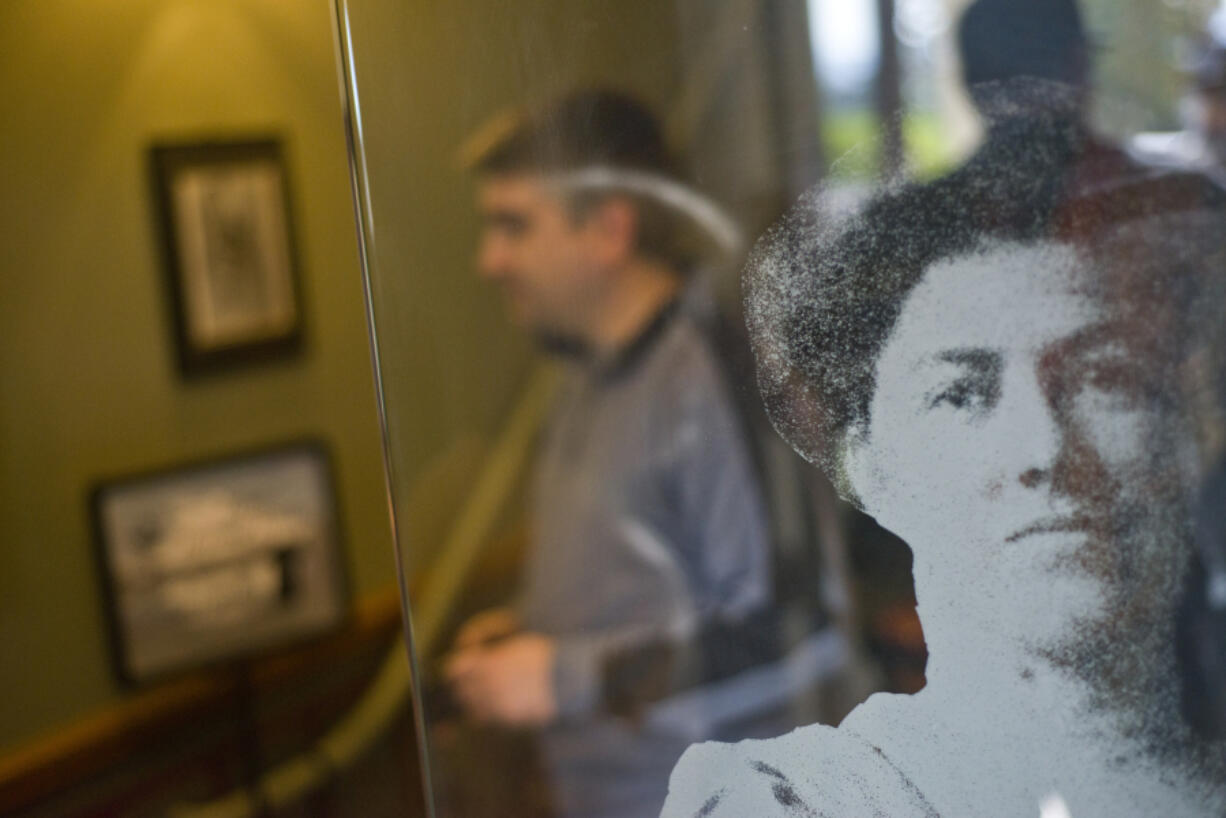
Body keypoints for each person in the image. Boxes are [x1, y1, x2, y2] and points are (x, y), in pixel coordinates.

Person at [660, 75, 1226, 814]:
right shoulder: (802, 801)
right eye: (960, 392)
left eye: (1103, 378)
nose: (1043, 447)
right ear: (864, 460)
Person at [440, 89, 778, 818]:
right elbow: (646, 590)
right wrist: (532, 634)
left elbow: (780, 626)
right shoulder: (580, 377)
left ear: (608, 231)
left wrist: (561, 676)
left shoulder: (710, 374)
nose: (488, 260)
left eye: (513, 226)